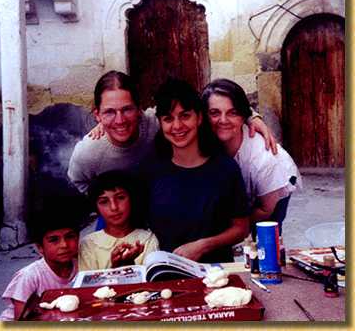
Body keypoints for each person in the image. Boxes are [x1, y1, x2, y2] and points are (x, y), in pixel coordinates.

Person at [67, 70, 277, 195]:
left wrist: (251, 116)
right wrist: (105, 200)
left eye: (127, 109)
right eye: (109, 112)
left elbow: (200, 108)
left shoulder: (157, 122)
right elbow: (78, 181)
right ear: (97, 114)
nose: (120, 120)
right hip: (117, 211)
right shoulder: (88, 151)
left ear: (139, 109)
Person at [141, 78, 250, 263]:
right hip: (163, 275)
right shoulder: (150, 171)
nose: (177, 126)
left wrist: (204, 245)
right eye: (168, 119)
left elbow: (241, 227)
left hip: (216, 275)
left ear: (199, 118)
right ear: (160, 123)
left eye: (185, 116)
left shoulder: (225, 169)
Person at [201, 78, 302, 236]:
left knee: (265, 237)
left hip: (275, 184)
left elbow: (265, 210)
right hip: (244, 180)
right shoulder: (205, 138)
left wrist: (228, 230)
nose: (223, 120)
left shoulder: (267, 159)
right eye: (214, 113)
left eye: (232, 112)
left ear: (243, 116)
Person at [0, 195, 83, 321]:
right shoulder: (29, 277)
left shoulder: (82, 266)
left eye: (70, 236)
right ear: (40, 248)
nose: (64, 245)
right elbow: (21, 321)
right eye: (54, 240)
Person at [78, 170, 159, 271]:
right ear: (96, 208)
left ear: (132, 199)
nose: (114, 207)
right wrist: (115, 269)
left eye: (120, 198)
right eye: (104, 202)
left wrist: (129, 264)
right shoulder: (88, 244)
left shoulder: (147, 239)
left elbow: (151, 281)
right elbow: (87, 285)